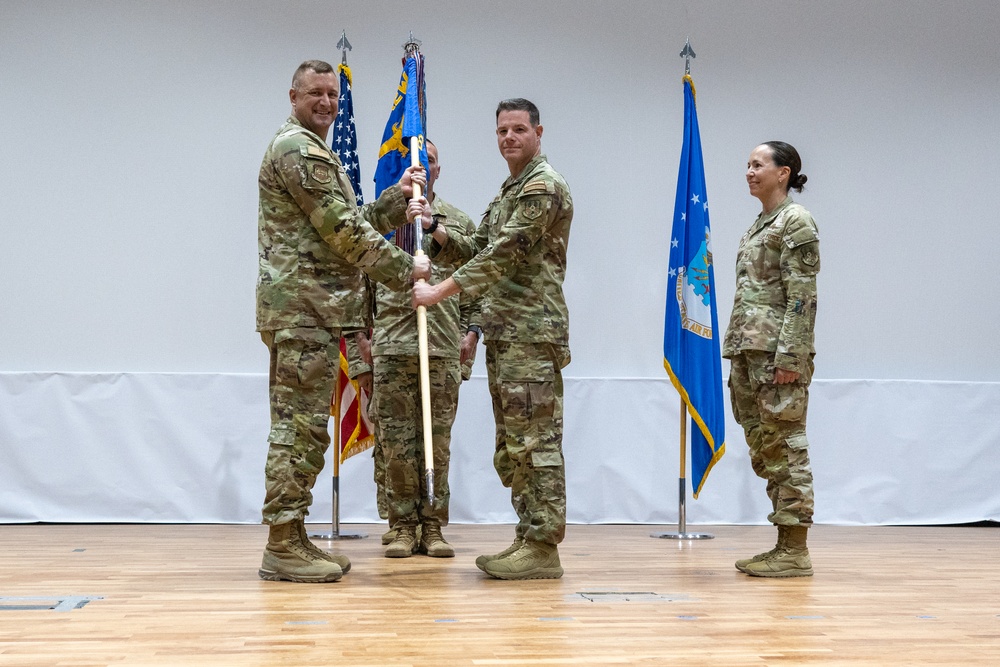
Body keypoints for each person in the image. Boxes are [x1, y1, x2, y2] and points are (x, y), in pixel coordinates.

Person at [256, 59, 431, 584]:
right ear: (293, 96)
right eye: (315, 94)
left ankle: (293, 536)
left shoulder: (315, 151)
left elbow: (346, 223)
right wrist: (408, 270)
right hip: (302, 312)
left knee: (307, 429)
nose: (327, 103)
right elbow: (342, 234)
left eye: (332, 95)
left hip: (315, 311)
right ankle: (282, 544)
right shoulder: (298, 149)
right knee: (298, 431)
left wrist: (395, 204)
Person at [413, 99, 572, 580]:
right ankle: (529, 535)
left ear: (538, 132)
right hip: (508, 332)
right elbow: (479, 246)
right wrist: (435, 229)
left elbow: (502, 255)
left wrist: (439, 290)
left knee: (537, 441)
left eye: (519, 129)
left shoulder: (542, 186)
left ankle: (544, 545)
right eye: (502, 130)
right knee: (514, 442)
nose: (509, 138)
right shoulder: (509, 191)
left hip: (532, 331)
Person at [348, 139, 478, 558]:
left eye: (430, 162)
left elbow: (476, 282)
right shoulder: (382, 224)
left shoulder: (456, 222)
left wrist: (471, 338)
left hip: (441, 347)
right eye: (413, 164)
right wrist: (359, 352)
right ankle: (402, 525)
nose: (423, 169)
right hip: (389, 348)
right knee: (399, 445)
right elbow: (357, 288)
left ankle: (433, 526)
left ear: (439, 170)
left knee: (437, 443)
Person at [723, 141, 820, 578]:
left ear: (783, 173)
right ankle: (783, 543)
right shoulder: (758, 225)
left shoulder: (795, 222)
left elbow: (802, 297)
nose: (749, 171)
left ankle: (795, 550)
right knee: (765, 448)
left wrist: (790, 357)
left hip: (777, 357)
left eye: (758, 164)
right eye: (747, 165)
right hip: (748, 353)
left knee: (786, 447)